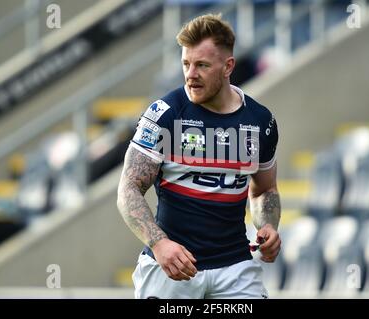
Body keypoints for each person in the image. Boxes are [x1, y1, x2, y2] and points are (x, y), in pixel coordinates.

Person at [117, 13, 281, 299]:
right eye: (186, 64)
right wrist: (159, 244)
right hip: (171, 268)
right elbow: (128, 189)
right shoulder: (164, 115)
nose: (190, 74)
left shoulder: (259, 121)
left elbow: (264, 189)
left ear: (228, 66)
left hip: (236, 270)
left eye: (202, 65)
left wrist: (267, 225)